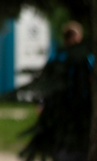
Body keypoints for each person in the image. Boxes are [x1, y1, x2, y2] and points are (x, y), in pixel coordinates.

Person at [21, 21, 93, 161]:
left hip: (62, 111)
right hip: (78, 110)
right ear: (77, 37)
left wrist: (43, 103)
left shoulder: (56, 58)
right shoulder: (84, 58)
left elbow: (47, 84)